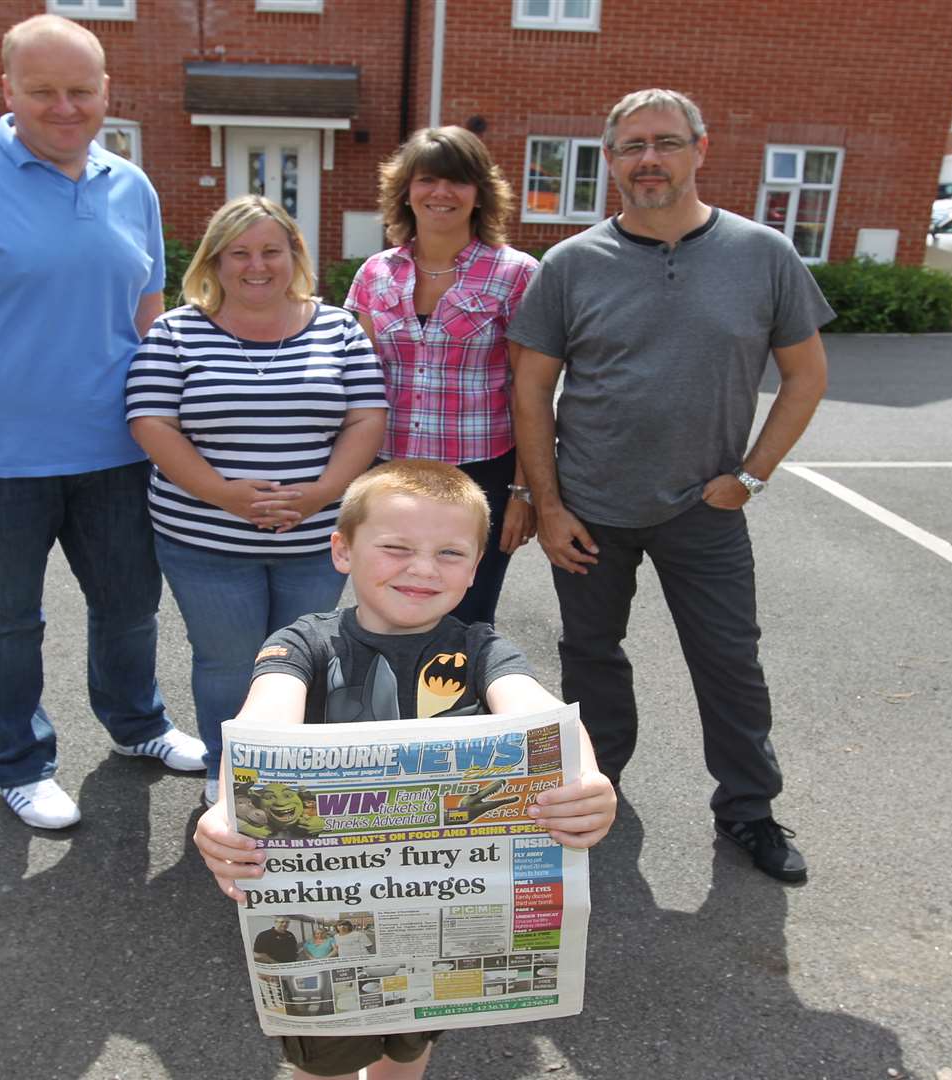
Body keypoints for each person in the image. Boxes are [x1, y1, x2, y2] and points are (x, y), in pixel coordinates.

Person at [0, 14, 206, 831]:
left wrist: (167, 428)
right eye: (43, 91)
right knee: (5, 622)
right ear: (7, 92)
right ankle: (21, 764)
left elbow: (148, 316)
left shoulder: (132, 187)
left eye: (80, 91)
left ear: (106, 93)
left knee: (130, 605)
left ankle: (138, 725)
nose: (65, 107)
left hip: (118, 454)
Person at [193, 460, 618, 1080]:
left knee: (413, 1042)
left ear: (475, 570)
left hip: (440, 922)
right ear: (342, 550)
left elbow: (540, 714)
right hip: (325, 923)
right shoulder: (303, 644)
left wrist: (584, 778)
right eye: (396, 547)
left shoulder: (482, 648)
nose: (423, 569)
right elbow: (262, 724)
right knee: (327, 1058)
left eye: (450, 553)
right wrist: (228, 810)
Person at [509, 88, 831, 884]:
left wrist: (751, 478)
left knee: (728, 662)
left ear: (700, 148)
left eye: (665, 142)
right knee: (590, 656)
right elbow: (529, 390)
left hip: (704, 510)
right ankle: (596, 785)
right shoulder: (572, 264)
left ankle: (748, 810)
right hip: (589, 511)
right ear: (611, 160)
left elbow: (805, 376)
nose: (648, 160)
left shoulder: (763, 254)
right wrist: (546, 505)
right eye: (631, 147)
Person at [127, 196, 387, 806]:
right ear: (214, 262)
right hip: (205, 541)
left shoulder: (338, 328)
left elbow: (366, 417)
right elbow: (150, 421)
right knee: (226, 660)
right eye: (239, 253)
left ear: (294, 254)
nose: (256, 265)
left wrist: (324, 492)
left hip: (314, 538)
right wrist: (226, 495)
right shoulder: (176, 331)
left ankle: (289, 772)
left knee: (305, 658)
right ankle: (230, 773)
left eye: (272, 250)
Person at [346, 127, 539, 626]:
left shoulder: (514, 274)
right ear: (406, 190)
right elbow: (357, 384)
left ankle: (461, 706)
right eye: (427, 179)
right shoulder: (375, 273)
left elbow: (531, 391)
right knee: (388, 607)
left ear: (480, 193)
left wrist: (523, 494)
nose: (441, 193)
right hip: (389, 475)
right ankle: (392, 704)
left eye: (457, 181)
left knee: (466, 616)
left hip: (479, 477)